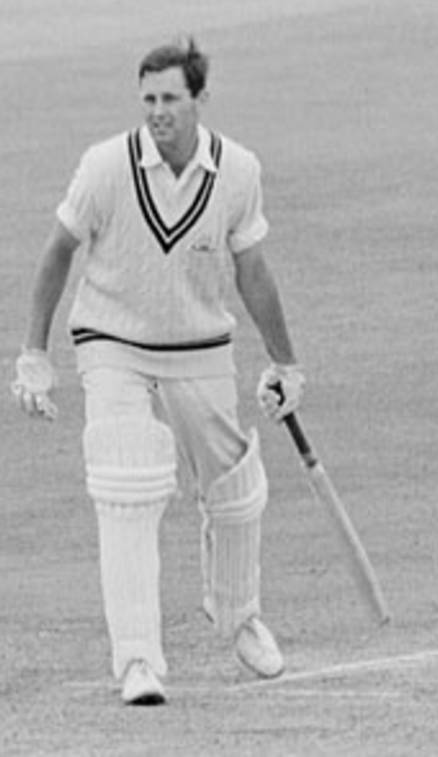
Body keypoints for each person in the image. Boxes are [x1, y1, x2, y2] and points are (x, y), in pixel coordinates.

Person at [10, 36, 306, 705]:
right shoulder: (106, 166)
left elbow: (251, 270)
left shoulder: (238, 171)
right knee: (127, 479)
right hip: (112, 338)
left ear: (200, 99)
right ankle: (138, 658)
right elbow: (57, 252)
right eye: (148, 99)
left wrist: (286, 359)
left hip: (199, 344)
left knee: (236, 487)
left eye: (171, 98)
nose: (158, 111)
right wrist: (35, 353)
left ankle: (239, 616)